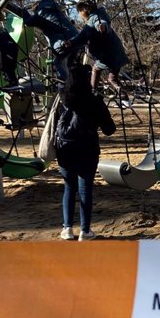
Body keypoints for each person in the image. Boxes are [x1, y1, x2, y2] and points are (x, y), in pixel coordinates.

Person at [55, 64, 116, 241]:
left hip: (65, 149)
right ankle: (85, 230)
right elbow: (109, 129)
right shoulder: (94, 100)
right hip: (87, 149)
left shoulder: (62, 99)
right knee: (85, 189)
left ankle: (67, 228)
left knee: (69, 187)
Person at [66, 0, 129, 91]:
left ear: (83, 11)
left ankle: (93, 91)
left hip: (107, 57)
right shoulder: (100, 15)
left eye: (79, 12)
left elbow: (99, 24)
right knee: (112, 78)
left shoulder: (94, 19)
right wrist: (71, 42)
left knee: (96, 69)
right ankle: (124, 98)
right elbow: (83, 36)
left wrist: (102, 27)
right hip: (117, 54)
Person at [21, 0, 79, 80]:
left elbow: (28, 22)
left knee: (58, 62)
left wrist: (22, 10)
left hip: (65, 40)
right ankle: (74, 80)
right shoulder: (56, 10)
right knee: (70, 63)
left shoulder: (41, 13)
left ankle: (65, 82)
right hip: (77, 37)